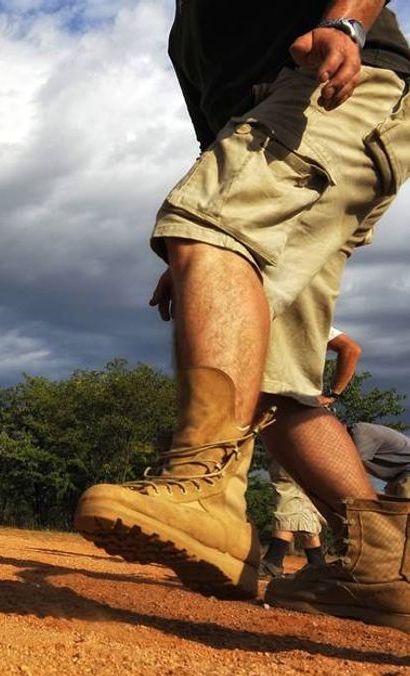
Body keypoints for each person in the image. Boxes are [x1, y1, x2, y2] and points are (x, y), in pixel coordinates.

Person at [73, 4, 410, 632]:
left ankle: (206, 490)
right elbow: (219, 138)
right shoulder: (188, 36)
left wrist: (347, 24)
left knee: (203, 224)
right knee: (275, 381)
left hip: (340, 91)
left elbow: (214, 207)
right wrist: (215, 259)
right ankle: (380, 561)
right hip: (293, 125)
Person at [261, 328, 361, 577]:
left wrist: (332, 394)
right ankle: (315, 561)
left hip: (292, 409)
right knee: (300, 489)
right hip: (303, 410)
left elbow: (352, 349)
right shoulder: (310, 319)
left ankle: (274, 558)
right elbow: (351, 348)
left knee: (285, 481)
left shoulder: (295, 318)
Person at [347, 421, 410, 497]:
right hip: (399, 474)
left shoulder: (361, 432)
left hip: (405, 474)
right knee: (389, 504)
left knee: (404, 500)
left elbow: (355, 469)